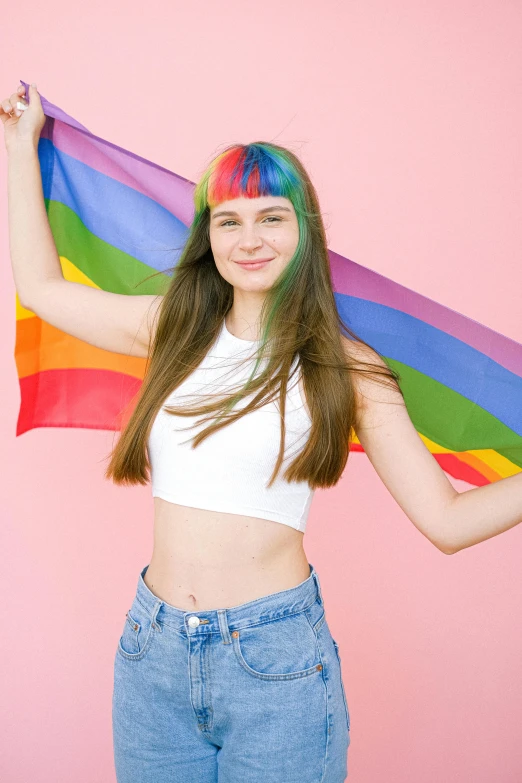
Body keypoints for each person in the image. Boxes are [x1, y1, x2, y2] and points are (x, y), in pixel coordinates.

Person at [3, 83, 522, 783]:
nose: (249, 240)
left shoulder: (346, 366)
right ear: (208, 234)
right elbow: (39, 289)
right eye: (229, 221)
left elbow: (448, 519)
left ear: (304, 230)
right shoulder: (173, 330)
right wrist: (17, 147)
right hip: (151, 653)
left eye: (271, 218)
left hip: (274, 662)